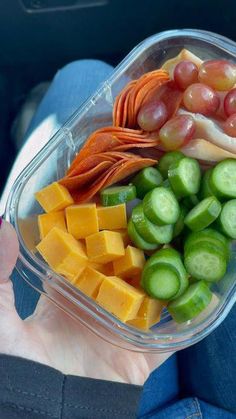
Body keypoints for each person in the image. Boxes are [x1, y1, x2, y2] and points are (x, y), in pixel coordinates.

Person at [0, 60, 235, 419]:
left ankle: (30, 116)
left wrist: (36, 397)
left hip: (109, 386)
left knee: (80, 76)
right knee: (85, 81)